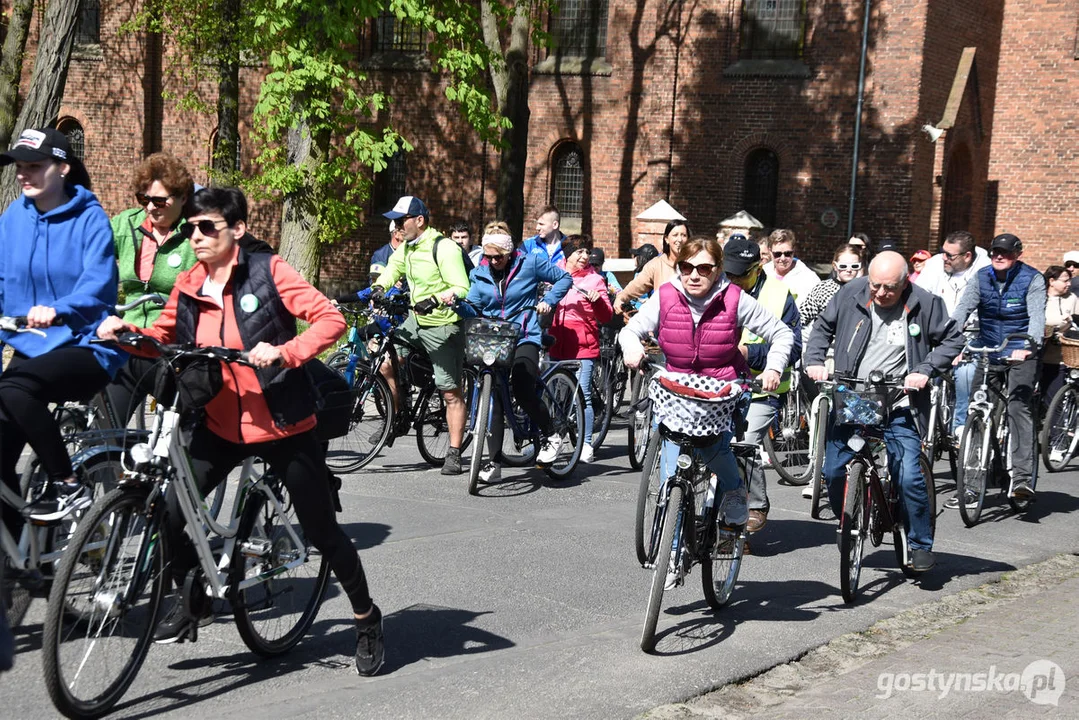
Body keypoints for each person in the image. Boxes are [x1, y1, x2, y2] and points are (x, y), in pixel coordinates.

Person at [95, 187, 385, 675]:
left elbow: (329, 318)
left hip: (281, 423)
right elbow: (164, 338)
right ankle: (198, 595)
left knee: (322, 531)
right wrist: (127, 335)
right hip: (218, 423)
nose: (197, 235)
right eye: (191, 227)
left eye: (207, 226)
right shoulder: (188, 281)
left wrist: (285, 352)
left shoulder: (268, 273)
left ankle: (366, 617)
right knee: (166, 513)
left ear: (237, 230)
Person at [805, 251, 965, 572]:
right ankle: (848, 521)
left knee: (907, 475)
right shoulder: (851, 293)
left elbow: (951, 340)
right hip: (854, 397)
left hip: (899, 400)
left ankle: (919, 544)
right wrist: (815, 360)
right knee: (834, 471)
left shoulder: (925, 303)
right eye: (875, 285)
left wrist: (925, 369)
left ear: (905, 281)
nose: (880, 293)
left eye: (889, 287)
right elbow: (822, 328)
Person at [620, 238, 792, 529]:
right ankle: (671, 549)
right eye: (686, 267)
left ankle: (735, 489)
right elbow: (632, 330)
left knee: (715, 449)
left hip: (720, 390)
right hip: (675, 389)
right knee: (669, 469)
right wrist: (632, 347)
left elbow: (782, 334)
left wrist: (774, 368)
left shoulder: (735, 298)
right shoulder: (665, 295)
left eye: (703, 268)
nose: (694, 275)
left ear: (718, 269)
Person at [0, 128, 125, 524]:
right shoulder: (13, 218)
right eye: (20, 167)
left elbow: (98, 285)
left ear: (63, 168)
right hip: (29, 345)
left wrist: (59, 309)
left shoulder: (91, 218)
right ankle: (22, 568)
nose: (24, 175)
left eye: (34, 166)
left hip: (84, 344)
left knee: (15, 391)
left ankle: (67, 483)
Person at [457, 221, 572, 481]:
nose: (493, 261)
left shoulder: (530, 263)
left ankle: (552, 434)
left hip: (524, 335)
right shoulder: (480, 272)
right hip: (492, 340)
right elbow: (474, 307)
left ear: (509, 253)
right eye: (488, 256)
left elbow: (565, 278)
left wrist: (548, 301)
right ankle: (494, 463)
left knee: (522, 386)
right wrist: (456, 305)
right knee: (493, 397)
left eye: (498, 256)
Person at [373, 195, 471, 474]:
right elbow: (393, 268)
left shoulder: (444, 248)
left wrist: (438, 299)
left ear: (419, 220)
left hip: (443, 324)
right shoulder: (407, 248)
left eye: (401, 219)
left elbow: (461, 286)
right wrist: (380, 287)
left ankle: (453, 452)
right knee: (386, 363)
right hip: (416, 321)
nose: (397, 225)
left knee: (449, 392)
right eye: (395, 221)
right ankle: (397, 415)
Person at [952, 233, 1045, 500]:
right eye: (995, 252)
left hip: (1021, 351)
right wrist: (951, 342)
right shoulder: (981, 277)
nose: (999, 256)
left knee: (1018, 408)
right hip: (989, 349)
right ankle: (970, 484)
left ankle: (1022, 480)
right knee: (979, 411)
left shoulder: (1033, 279)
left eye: (1005, 252)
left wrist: (1028, 346)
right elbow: (962, 311)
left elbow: (1037, 317)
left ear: (1018, 255)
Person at [722, 236, 802, 533]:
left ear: (758, 267)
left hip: (762, 388)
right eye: (728, 273)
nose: (733, 280)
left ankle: (755, 504)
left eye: (740, 274)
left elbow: (794, 348)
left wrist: (749, 354)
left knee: (742, 444)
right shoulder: (714, 288)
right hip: (719, 384)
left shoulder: (780, 295)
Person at [915, 230, 990, 459]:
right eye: (943, 252)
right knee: (920, 371)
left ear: (967, 256)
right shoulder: (935, 265)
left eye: (950, 255)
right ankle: (919, 427)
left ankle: (959, 427)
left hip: (971, 333)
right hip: (937, 331)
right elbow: (919, 295)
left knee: (966, 373)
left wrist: (960, 346)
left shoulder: (985, 268)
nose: (944, 258)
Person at [549, 235, 613, 463]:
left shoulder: (595, 280)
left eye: (587, 252)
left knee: (582, 393)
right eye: (579, 252)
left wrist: (597, 301)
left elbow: (606, 316)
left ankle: (585, 442)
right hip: (556, 341)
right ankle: (552, 440)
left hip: (583, 345)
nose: (585, 256)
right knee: (555, 395)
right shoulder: (553, 273)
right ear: (568, 256)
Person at [614, 220, 688, 313]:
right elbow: (637, 285)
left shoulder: (696, 263)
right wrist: (621, 297)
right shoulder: (656, 264)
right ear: (666, 239)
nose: (680, 239)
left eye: (683, 235)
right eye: (675, 235)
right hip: (664, 321)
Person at [798, 243, 866, 340]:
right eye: (843, 266)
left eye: (854, 266)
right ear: (835, 266)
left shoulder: (865, 290)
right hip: (824, 346)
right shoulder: (823, 289)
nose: (849, 270)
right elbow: (801, 317)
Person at [1040, 265, 1078, 419]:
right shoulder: (1040, 298)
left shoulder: (1072, 299)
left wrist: (1070, 323)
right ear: (1052, 281)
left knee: (1054, 399)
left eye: (1069, 280)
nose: (1069, 284)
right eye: (1065, 280)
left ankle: (1056, 439)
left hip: (1059, 358)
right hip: (1037, 354)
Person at [762, 229, 821, 301]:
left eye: (787, 254)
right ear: (770, 252)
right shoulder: (761, 273)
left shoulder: (809, 278)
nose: (783, 258)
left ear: (794, 251)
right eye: (777, 254)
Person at [370, 219, 405, 285]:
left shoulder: (410, 251)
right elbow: (373, 281)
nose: (407, 232)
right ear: (396, 234)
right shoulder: (380, 255)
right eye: (403, 230)